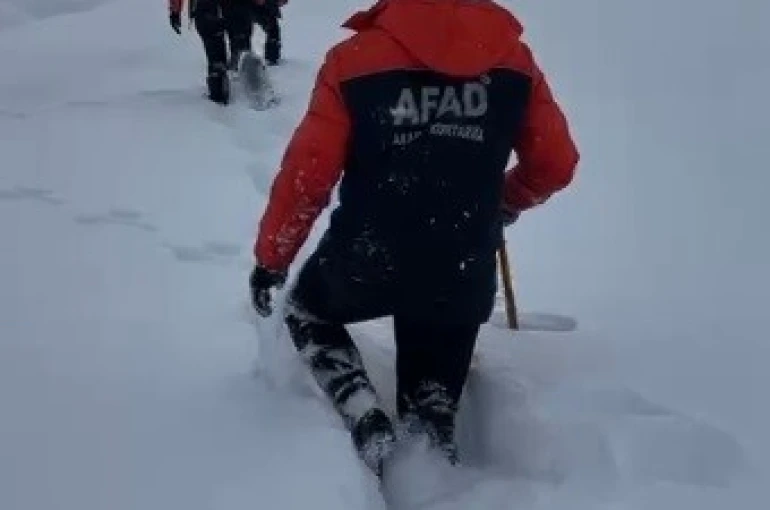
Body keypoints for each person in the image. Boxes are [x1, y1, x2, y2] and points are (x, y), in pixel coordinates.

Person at [248, 0, 579, 477]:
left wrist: (272, 259)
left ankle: (358, 403)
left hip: (366, 257)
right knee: (434, 371)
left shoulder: (353, 60)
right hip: (462, 265)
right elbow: (555, 163)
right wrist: (506, 202)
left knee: (306, 311)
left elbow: (308, 175)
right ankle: (432, 439)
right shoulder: (514, 60)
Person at [169, 0, 286, 104]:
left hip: (206, 9)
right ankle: (256, 91)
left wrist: (175, 11)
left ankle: (219, 97)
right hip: (237, 7)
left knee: (216, 58)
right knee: (242, 50)